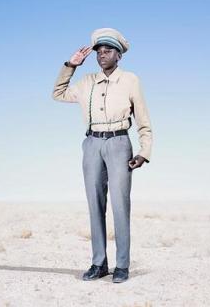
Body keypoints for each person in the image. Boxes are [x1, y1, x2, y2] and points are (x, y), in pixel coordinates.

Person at [52, 28, 152, 283]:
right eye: (99, 51)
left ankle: (122, 266)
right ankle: (98, 264)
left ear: (119, 55)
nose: (102, 55)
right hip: (92, 144)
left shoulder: (130, 80)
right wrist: (70, 65)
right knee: (94, 206)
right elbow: (58, 94)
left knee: (120, 206)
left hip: (119, 143)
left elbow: (142, 119)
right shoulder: (86, 82)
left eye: (108, 51)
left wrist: (144, 151)